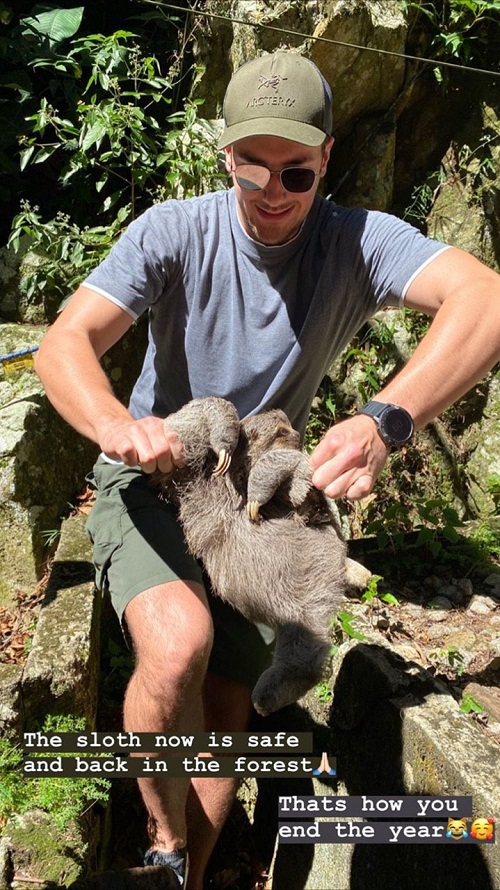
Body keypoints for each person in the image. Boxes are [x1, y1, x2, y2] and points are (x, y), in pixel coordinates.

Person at [35, 50, 500, 888]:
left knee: (227, 712)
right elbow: (68, 340)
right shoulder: (174, 230)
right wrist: (117, 424)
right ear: (227, 156)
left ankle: (198, 869)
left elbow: (487, 299)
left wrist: (385, 421)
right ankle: (162, 845)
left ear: (325, 160)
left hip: (263, 506)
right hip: (160, 481)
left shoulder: (357, 242)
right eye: (254, 165)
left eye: (296, 170)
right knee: (178, 646)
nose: (273, 189)